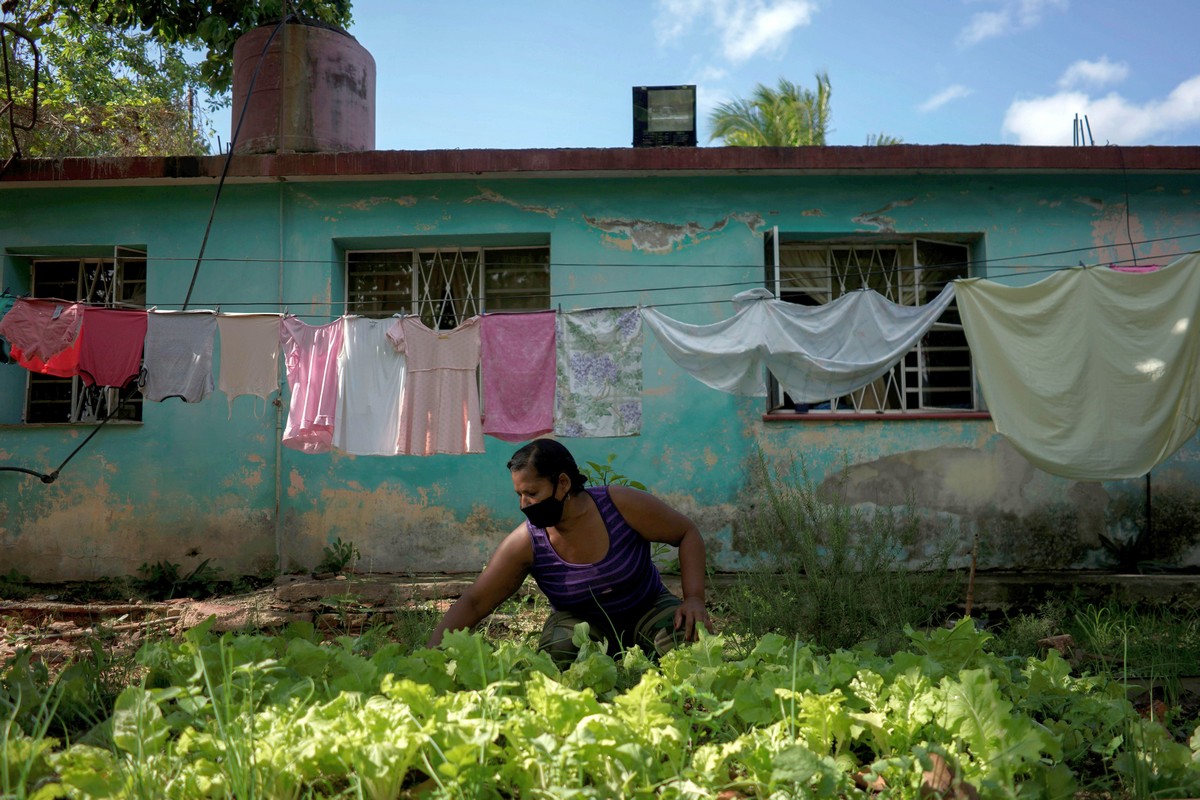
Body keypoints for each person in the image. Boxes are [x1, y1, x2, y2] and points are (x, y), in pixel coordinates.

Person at [427, 438, 711, 665]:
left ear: (563, 483)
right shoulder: (527, 541)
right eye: (519, 495)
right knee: (559, 651)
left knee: (690, 644)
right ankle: (605, 661)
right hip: (582, 625)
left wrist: (695, 598)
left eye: (532, 493)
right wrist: (429, 654)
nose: (524, 504)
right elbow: (476, 601)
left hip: (646, 607)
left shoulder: (621, 506)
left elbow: (686, 533)